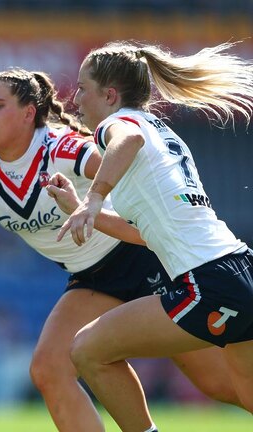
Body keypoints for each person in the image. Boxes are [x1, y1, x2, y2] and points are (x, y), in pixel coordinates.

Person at [0, 68, 242, 432]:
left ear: (28, 113)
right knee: (48, 369)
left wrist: (97, 196)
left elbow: (130, 165)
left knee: (220, 384)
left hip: (147, 260)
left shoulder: (65, 149)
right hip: (93, 278)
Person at [59, 41, 253, 432]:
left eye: (82, 87)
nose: (74, 97)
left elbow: (125, 141)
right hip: (240, 269)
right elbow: (147, 236)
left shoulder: (117, 126)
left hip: (208, 282)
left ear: (110, 94)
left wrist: (94, 198)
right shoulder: (163, 133)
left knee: (87, 350)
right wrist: (80, 208)